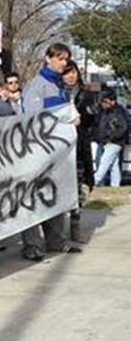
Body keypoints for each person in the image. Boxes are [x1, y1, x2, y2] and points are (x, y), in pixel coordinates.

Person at [20, 42, 82, 261]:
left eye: (66, 59)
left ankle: (56, 240)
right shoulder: (37, 85)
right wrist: (65, 118)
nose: (63, 63)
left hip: (58, 153)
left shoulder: (62, 87)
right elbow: (35, 118)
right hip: (38, 150)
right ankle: (32, 245)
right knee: (32, 198)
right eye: (59, 58)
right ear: (48, 58)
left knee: (55, 194)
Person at [63, 61, 96, 242]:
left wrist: (90, 115)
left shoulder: (86, 94)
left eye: (73, 72)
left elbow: (90, 121)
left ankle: (75, 228)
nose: (70, 76)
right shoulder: (56, 92)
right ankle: (57, 233)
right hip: (60, 147)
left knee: (78, 186)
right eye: (67, 73)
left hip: (80, 145)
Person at [93, 88, 129, 188]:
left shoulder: (118, 112)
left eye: (105, 102)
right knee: (114, 165)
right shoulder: (106, 111)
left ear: (112, 101)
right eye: (102, 102)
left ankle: (95, 181)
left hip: (114, 142)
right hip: (109, 141)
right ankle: (115, 185)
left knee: (104, 162)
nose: (103, 104)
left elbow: (123, 127)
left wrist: (110, 137)